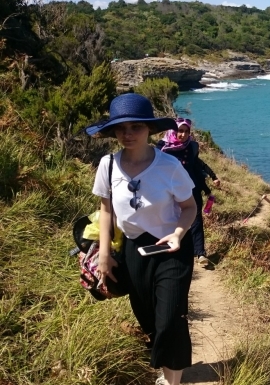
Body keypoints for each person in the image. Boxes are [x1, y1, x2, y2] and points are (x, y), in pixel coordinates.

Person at [86, 93, 196, 385]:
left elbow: (190, 207)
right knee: (148, 317)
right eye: (121, 128)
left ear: (149, 129)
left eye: (136, 126)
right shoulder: (108, 165)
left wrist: (178, 233)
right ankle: (165, 367)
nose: (128, 133)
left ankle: (173, 381)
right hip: (134, 250)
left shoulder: (169, 166)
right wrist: (105, 255)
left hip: (172, 249)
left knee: (171, 317)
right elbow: (106, 210)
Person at [156, 117, 219, 266]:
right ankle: (174, 249)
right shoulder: (161, 148)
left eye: (186, 131)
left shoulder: (192, 146)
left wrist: (211, 179)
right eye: (179, 131)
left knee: (196, 220)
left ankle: (200, 254)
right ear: (173, 130)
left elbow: (197, 165)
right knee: (171, 219)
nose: (182, 134)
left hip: (191, 189)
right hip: (169, 191)